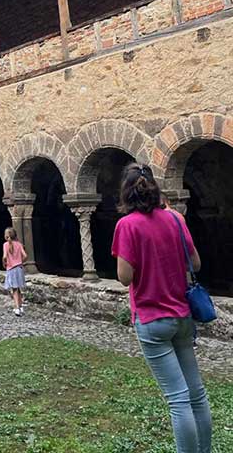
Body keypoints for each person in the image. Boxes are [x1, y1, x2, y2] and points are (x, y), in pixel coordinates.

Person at [112, 162, 212, 453]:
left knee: (178, 399)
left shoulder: (127, 225)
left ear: (126, 192)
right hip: (182, 315)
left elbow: (124, 277)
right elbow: (195, 264)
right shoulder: (175, 219)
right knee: (197, 394)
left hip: (151, 319)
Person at [2, 227, 27, 316]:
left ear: (6, 236)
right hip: (19, 269)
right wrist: (20, 262)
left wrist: (5, 263)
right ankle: (20, 306)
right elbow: (25, 255)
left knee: (14, 289)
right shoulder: (19, 244)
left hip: (11, 269)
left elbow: (5, 256)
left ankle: (17, 308)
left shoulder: (5, 245)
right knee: (18, 289)